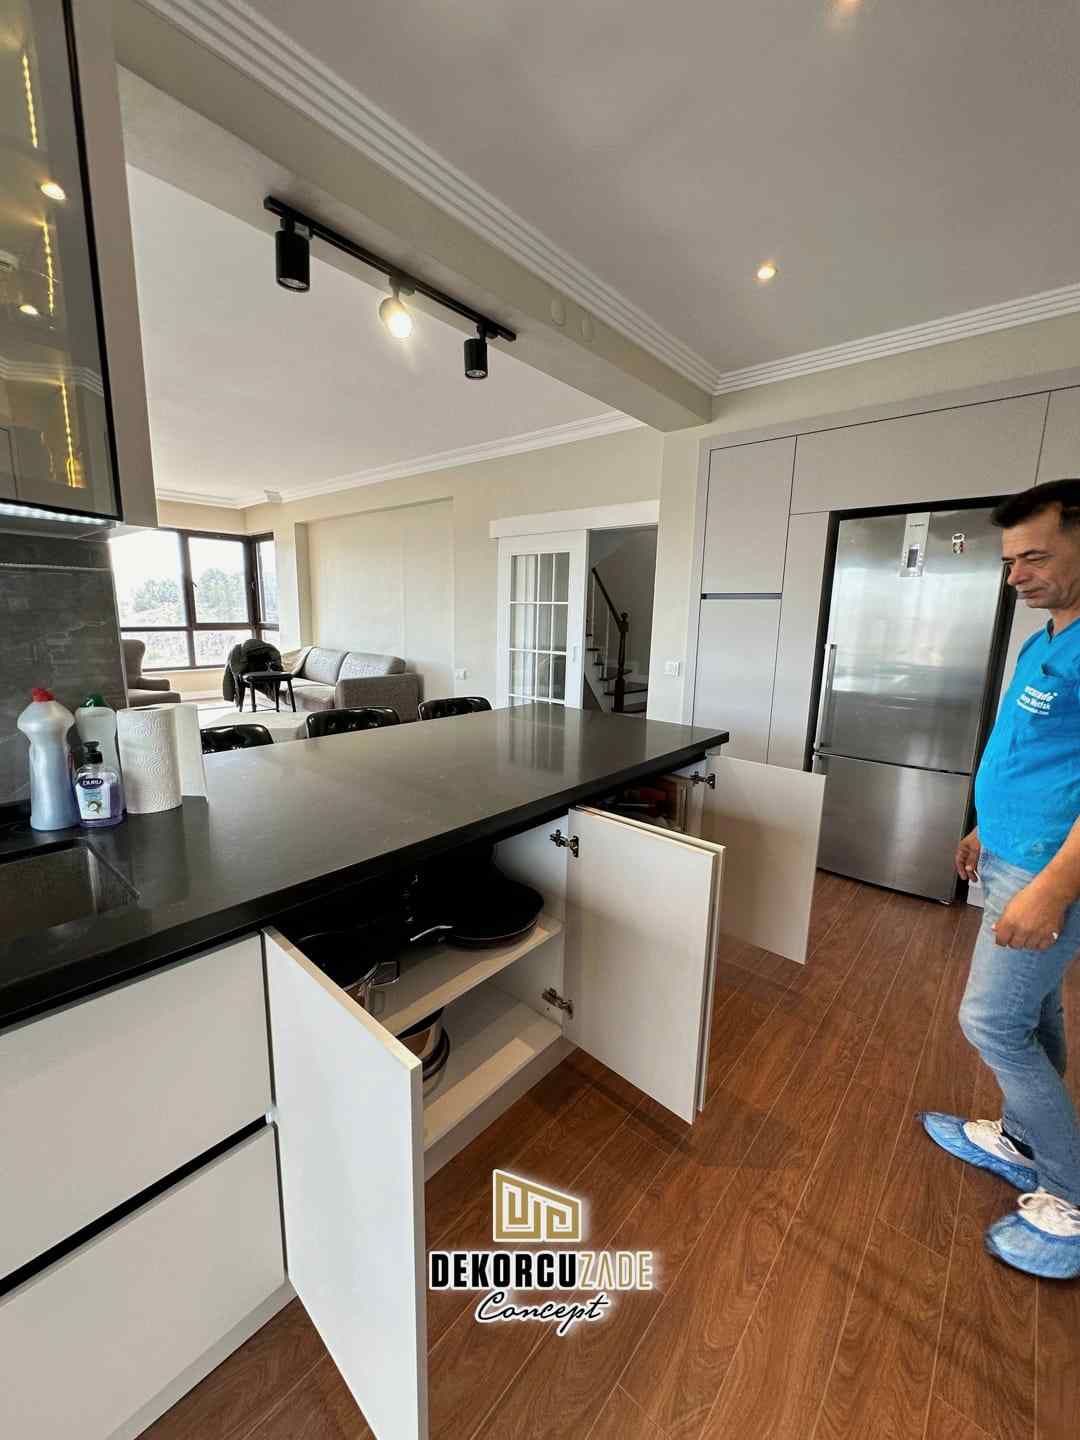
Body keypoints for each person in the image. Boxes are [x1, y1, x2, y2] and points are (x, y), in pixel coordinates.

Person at [922, 478, 1080, 1279]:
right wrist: (985, 825)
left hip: (1049, 870)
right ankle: (1023, 1140)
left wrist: (1052, 889)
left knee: (990, 1023)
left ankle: (1071, 1194)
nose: (1016, 575)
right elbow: (1028, 746)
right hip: (1012, 853)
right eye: (1010, 561)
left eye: (1035, 557)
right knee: (1033, 1010)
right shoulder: (1044, 637)